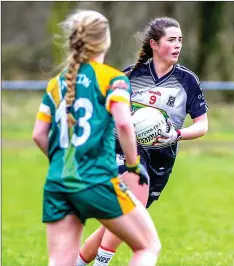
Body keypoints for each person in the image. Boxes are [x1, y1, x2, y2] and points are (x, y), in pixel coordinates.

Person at [32, 10, 161, 266]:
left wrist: (63, 164)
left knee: (60, 260)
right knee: (147, 246)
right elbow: (124, 123)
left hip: (59, 182)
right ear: (105, 40)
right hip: (98, 180)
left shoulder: (57, 83)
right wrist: (134, 164)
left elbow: (38, 135)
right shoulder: (113, 79)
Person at [76, 16, 209, 266]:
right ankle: (102, 263)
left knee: (123, 219)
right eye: (171, 40)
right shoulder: (129, 76)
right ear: (154, 45)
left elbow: (203, 126)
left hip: (162, 158)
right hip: (125, 152)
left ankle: (78, 262)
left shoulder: (187, 81)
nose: (178, 45)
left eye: (180, 39)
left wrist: (176, 134)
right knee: (127, 209)